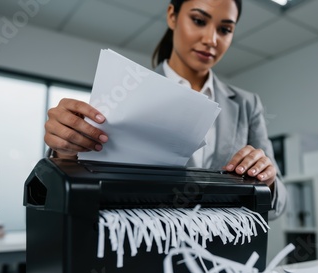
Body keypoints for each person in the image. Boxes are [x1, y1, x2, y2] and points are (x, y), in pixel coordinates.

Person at [44, 0, 286, 219]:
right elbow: (79, 191)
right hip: (146, 247)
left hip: (224, 251)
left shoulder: (247, 104)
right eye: (199, 21)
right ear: (172, 15)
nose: (211, 39)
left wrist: (270, 180)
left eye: (225, 29)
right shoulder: (124, 91)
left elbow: (280, 205)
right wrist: (64, 152)